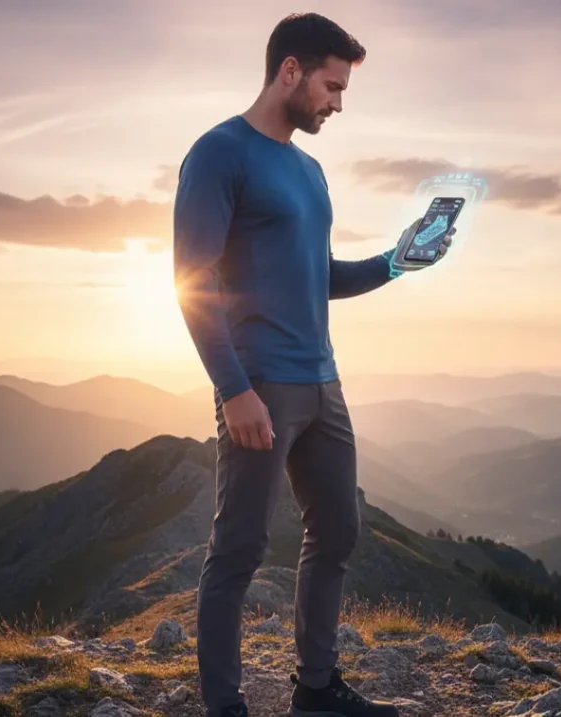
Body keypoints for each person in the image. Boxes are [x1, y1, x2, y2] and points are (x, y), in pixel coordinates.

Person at [172, 12, 451, 717]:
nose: (337, 103)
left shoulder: (311, 170)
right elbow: (191, 281)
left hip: (323, 383)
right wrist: (234, 390)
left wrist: (397, 261)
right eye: (332, 86)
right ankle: (224, 706)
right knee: (239, 549)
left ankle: (317, 690)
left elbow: (318, 274)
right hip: (260, 385)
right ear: (289, 71)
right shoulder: (218, 153)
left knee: (338, 532)